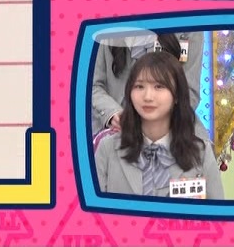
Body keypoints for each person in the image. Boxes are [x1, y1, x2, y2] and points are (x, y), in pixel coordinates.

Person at [94, 51, 225, 199]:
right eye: (139, 86)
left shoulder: (201, 152)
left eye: (159, 86)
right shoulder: (107, 148)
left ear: (177, 95)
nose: (148, 97)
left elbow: (216, 212)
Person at [90, 32, 204, 136]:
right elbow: (92, 85)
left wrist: (157, 124)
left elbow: (189, 92)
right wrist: (113, 113)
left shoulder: (189, 28)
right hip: (113, 126)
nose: (147, 96)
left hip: (171, 124)